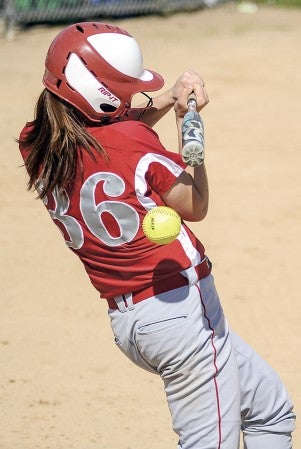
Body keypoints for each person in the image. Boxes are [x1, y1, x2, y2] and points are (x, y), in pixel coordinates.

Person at [18, 22, 295, 449]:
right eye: (124, 91)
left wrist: (166, 99)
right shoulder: (131, 142)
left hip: (133, 323)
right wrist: (190, 129)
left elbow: (110, 133)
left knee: (269, 411)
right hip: (181, 315)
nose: (131, 98)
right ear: (102, 97)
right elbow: (194, 204)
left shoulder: (37, 143)